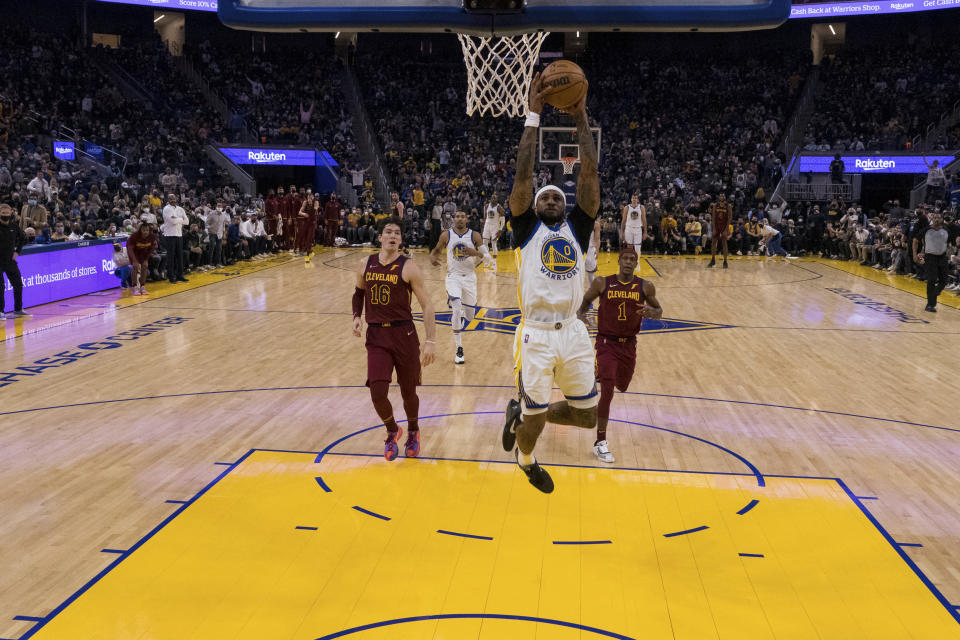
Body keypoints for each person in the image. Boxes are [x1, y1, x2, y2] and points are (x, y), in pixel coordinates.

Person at [500, 72, 599, 493]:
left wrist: (580, 117)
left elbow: (590, 174)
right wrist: (533, 115)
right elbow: (523, 177)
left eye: (558, 197)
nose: (553, 201)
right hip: (536, 335)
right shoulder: (525, 229)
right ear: (534, 204)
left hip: (574, 331)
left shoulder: (577, 228)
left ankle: (520, 413)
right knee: (536, 422)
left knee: (586, 417)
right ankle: (526, 460)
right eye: (546, 197)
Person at [353, 217, 436, 460]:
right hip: (377, 335)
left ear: (400, 240)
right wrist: (356, 316)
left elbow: (428, 305)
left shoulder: (408, 267)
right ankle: (392, 430)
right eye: (388, 232)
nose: (392, 236)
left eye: (397, 233)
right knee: (377, 392)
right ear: (380, 237)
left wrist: (431, 340)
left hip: (404, 335)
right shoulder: (364, 264)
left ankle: (413, 430)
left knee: (408, 392)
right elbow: (358, 293)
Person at [577, 246, 662, 462]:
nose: (627, 262)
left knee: (622, 385)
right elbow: (585, 303)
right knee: (607, 390)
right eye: (624, 258)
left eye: (631, 259)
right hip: (606, 342)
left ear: (636, 262)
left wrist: (653, 313)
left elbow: (659, 310)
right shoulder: (602, 283)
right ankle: (601, 442)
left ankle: (603, 372)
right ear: (618, 260)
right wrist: (581, 316)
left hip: (629, 345)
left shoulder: (646, 286)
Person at [430, 209, 493, 364]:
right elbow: (436, 251)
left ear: (467, 219)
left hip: (470, 279)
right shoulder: (446, 235)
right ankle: (459, 349)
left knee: (470, 316)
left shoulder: (475, 236)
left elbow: (489, 260)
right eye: (457, 216)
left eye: (462, 216)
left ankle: (464, 313)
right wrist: (433, 257)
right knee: (456, 308)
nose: (459, 219)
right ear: (453, 219)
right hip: (453, 277)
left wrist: (476, 253)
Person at [0, 204, 29, 319]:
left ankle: (18, 309)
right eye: (3, 214)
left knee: (18, 284)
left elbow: (23, 238)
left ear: (11, 213)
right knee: (0, 286)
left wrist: (17, 251)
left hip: (10, 261)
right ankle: (1, 311)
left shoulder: (14, 226)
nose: (5, 216)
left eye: (7, 214)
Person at [917, 212, 949, 312]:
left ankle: (934, 293)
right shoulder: (926, 230)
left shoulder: (946, 230)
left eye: (939, 218)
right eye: (935, 217)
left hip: (942, 257)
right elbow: (916, 240)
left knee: (944, 280)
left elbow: (950, 243)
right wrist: (917, 254)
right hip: (930, 257)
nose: (937, 219)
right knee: (932, 280)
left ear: (942, 219)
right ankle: (930, 305)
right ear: (932, 219)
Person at [161, 193, 189, 283]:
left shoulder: (180, 209)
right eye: (170, 198)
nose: (172, 199)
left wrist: (177, 219)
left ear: (176, 198)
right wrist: (181, 219)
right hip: (170, 235)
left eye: (173, 198)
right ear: (168, 200)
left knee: (179, 256)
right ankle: (171, 277)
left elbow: (187, 222)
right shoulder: (166, 209)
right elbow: (172, 221)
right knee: (171, 257)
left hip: (179, 234)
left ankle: (180, 275)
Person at [126, 220, 157, 295]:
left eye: (147, 230)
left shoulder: (152, 237)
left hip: (144, 253)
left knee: (145, 266)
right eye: (143, 230)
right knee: (135, 266)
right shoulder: (134, 236)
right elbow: (130, 249)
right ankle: (134, 286)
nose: (145, 232)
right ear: (140, 230)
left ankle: (142, 286)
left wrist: (146, 259)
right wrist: (134, 260)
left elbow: (151, 249)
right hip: (134, 253)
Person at [481, 194, 505, 271]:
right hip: (487, 225)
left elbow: (503, 220)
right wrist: (483, 227)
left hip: (495, 226)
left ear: (497, 200)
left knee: (494, 244)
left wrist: (500, 230)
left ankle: (494, 262)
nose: (493, 199)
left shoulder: (499, 208)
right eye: (492, 198)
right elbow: (485, 217)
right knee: (484, 243)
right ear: (490, 199)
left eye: (495, 198)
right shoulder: (486, 206)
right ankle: (487, 260)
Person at [708, 193, 732, 268]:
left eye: (723, 196)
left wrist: (726, 229)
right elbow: (713, 218)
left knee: (724, 243)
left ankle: (725, 261)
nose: (722, 197)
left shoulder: (728, 206)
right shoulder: (715, 205)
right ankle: (713, 260)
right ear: (719, 197)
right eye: (720, 196)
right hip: (716, 226)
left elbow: (730, 218)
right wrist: (714, 228)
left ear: (725, 197)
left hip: (724, 226)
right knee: (713, 243)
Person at [298, 193, 320, 257]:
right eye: (308, 198)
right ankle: (301, 249)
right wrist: (304, 214)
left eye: (310, 198)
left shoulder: (316, 202)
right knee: (303, 235)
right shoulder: (305, 202)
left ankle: (308, 249)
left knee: (310, 236)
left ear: (313, 198)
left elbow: (315, 209)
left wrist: (312, 207)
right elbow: (299, 212)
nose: (309, 199)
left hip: (312, 222)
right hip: (306, 222)